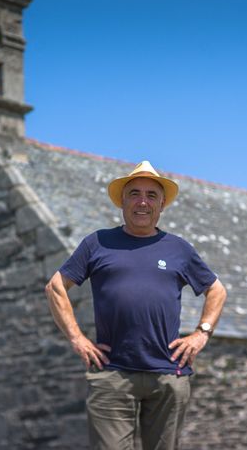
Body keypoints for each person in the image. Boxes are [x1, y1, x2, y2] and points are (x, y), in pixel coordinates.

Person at [44, 160, 227, 450]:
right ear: (123, 202)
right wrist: (77, 339)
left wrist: (201, 333)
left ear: (162, 205)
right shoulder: (97, 243)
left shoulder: (179, 248)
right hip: (111, 374)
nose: (143, 202)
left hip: (169, 374)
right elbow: (55, 287)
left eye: (151, 195)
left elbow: (216, 290)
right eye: (135, 194)